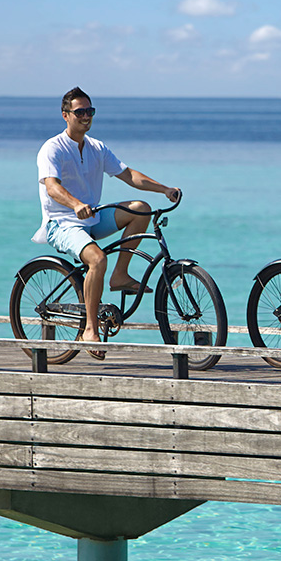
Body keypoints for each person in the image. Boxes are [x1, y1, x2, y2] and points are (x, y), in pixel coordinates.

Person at [33, 86, 180, 359]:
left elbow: (129, 175)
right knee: (97, 260)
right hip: (62, 223)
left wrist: (164, 189)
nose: (86, 116)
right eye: (80, 112)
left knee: (140, 209)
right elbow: (52, 187)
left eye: (90, 111)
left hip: (93, 218)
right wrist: (76, 204)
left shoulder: (97, 148)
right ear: (66, 115)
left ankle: (120, 275)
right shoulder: (52, 148)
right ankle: (89, 329)